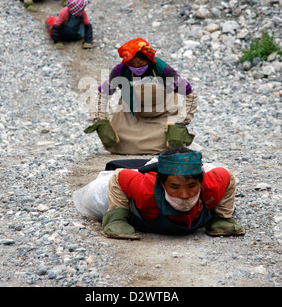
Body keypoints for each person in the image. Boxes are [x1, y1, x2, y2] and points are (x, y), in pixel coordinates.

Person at [84, 38, 198, 154]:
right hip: (132, 117)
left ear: (148, 59)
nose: (137, 67)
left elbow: (190, 94)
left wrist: (181, 122)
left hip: (163, 116)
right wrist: (100, 120)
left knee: (172, 142)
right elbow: (102, 94)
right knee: (118, 139)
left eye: (141, 63)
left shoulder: (163, 70)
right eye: (132, 63)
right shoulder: (121, 70)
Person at [101, 147, 245, 239]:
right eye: (175, 187)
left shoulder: (211, 186)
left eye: (191, 186)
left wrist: (223, 215)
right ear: (162, 184)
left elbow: (228, 175)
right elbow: (118, 176)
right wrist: (117, 217)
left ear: (201, 182)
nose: (184, 195)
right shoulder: (146, 190)